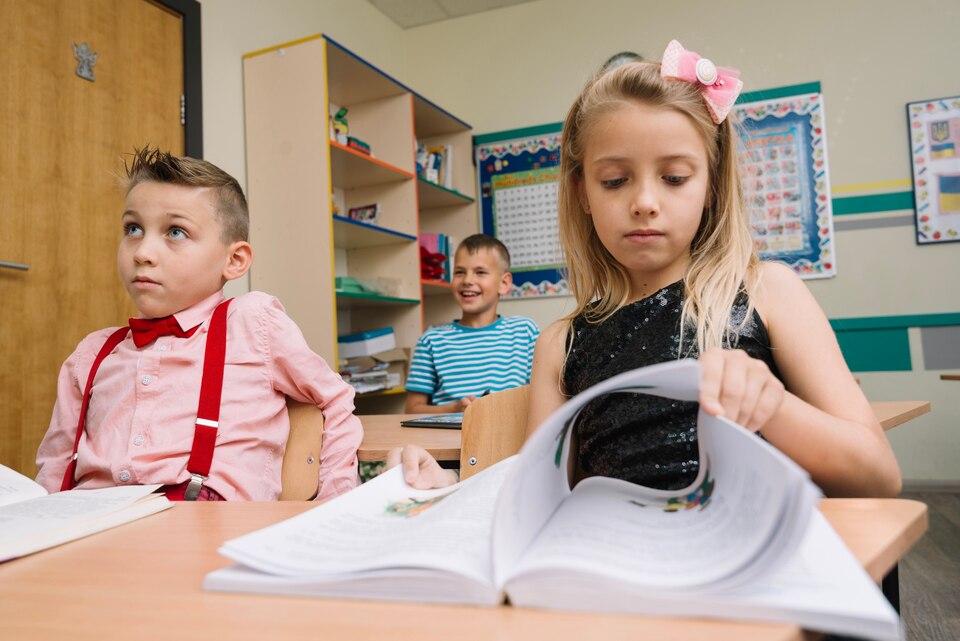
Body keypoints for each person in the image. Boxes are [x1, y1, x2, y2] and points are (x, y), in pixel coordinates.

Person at [390, 40, 901, 498]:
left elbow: (877, 475)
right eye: (614, 181)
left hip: (744, 581)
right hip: (613, 581)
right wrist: (447, 486)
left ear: (712, 184)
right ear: (582, 194)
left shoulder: (769, 292)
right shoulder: (560, 343)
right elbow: (534, 490)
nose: (645, 202)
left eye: (675, 177)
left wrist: (774, 409)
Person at [35, 147, 363, 502]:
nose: (142, 251)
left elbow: (334, 401)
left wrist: (337, 505)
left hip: (208, 530)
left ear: (234, 260)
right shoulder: (92, 353)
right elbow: (55, 466)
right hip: (91, 525)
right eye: (133, 228)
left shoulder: (253, 323)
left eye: (175, 232)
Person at [404, 234, 540, 414]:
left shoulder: (525, 332)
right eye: (459, 272)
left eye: (480, 272)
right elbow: (412, 410)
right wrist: (453, 409)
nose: (467, 280)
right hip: (449, 439)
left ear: (504, 283)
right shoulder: (431, 341)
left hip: (511, 437)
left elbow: (543, 397)